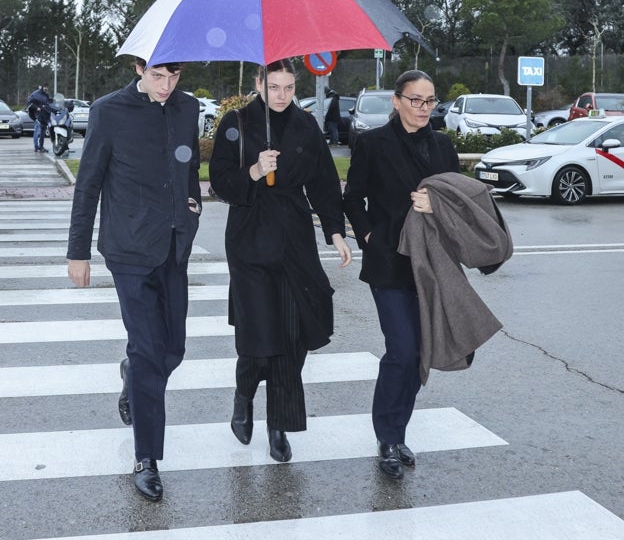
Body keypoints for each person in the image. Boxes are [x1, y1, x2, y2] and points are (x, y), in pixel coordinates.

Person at [66, 57, 202, 502]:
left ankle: (132, 375)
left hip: (174, 248)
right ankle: (147, 457)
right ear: (139, 69)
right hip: (127, 250)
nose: (165, 86)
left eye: (173, 77)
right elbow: (88, 183)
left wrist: (191, 208)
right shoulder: (109, 111)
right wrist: (77, 252)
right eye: (157, 76)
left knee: (173, 349)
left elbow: (188, 168)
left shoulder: (187, 108)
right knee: (148, 350)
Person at [209, 59, 352, 463]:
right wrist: (253, 170)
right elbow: (219, 181)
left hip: (293, 238)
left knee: (291, 336)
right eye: (274, 87)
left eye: (289, 87)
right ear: (258, 83)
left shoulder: (305, 125)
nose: (282, 95)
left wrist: (335, 232)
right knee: (260, 336)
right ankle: (244, 394)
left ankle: (278, 426)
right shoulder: (235, 121)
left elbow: (324, 180)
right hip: (249, 240)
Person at [342, 69, 460, 480]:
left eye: (430, 101)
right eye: (416, 100)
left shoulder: (442, 145)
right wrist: (369, 236)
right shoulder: (372, 143)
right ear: (396, 100)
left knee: (419, 353)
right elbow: (352, 197)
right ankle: (387, 437)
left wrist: (436, 206)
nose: (424, 108)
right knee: (403, 349)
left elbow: (460, 198)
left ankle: (398, 430)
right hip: (389, 261)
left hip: (431, 262)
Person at [27, 83, 52, 152]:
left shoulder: (46, 95)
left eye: (47, 87)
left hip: (45, 116)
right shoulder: (35, 94)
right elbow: (29, 103)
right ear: (42, 87)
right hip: (38, 116)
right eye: (45, 87)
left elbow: (48, 104)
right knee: (37, 132)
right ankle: (36, 146)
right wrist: (37, 107)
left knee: (43, 133)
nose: (46, 88)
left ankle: (41, 147)